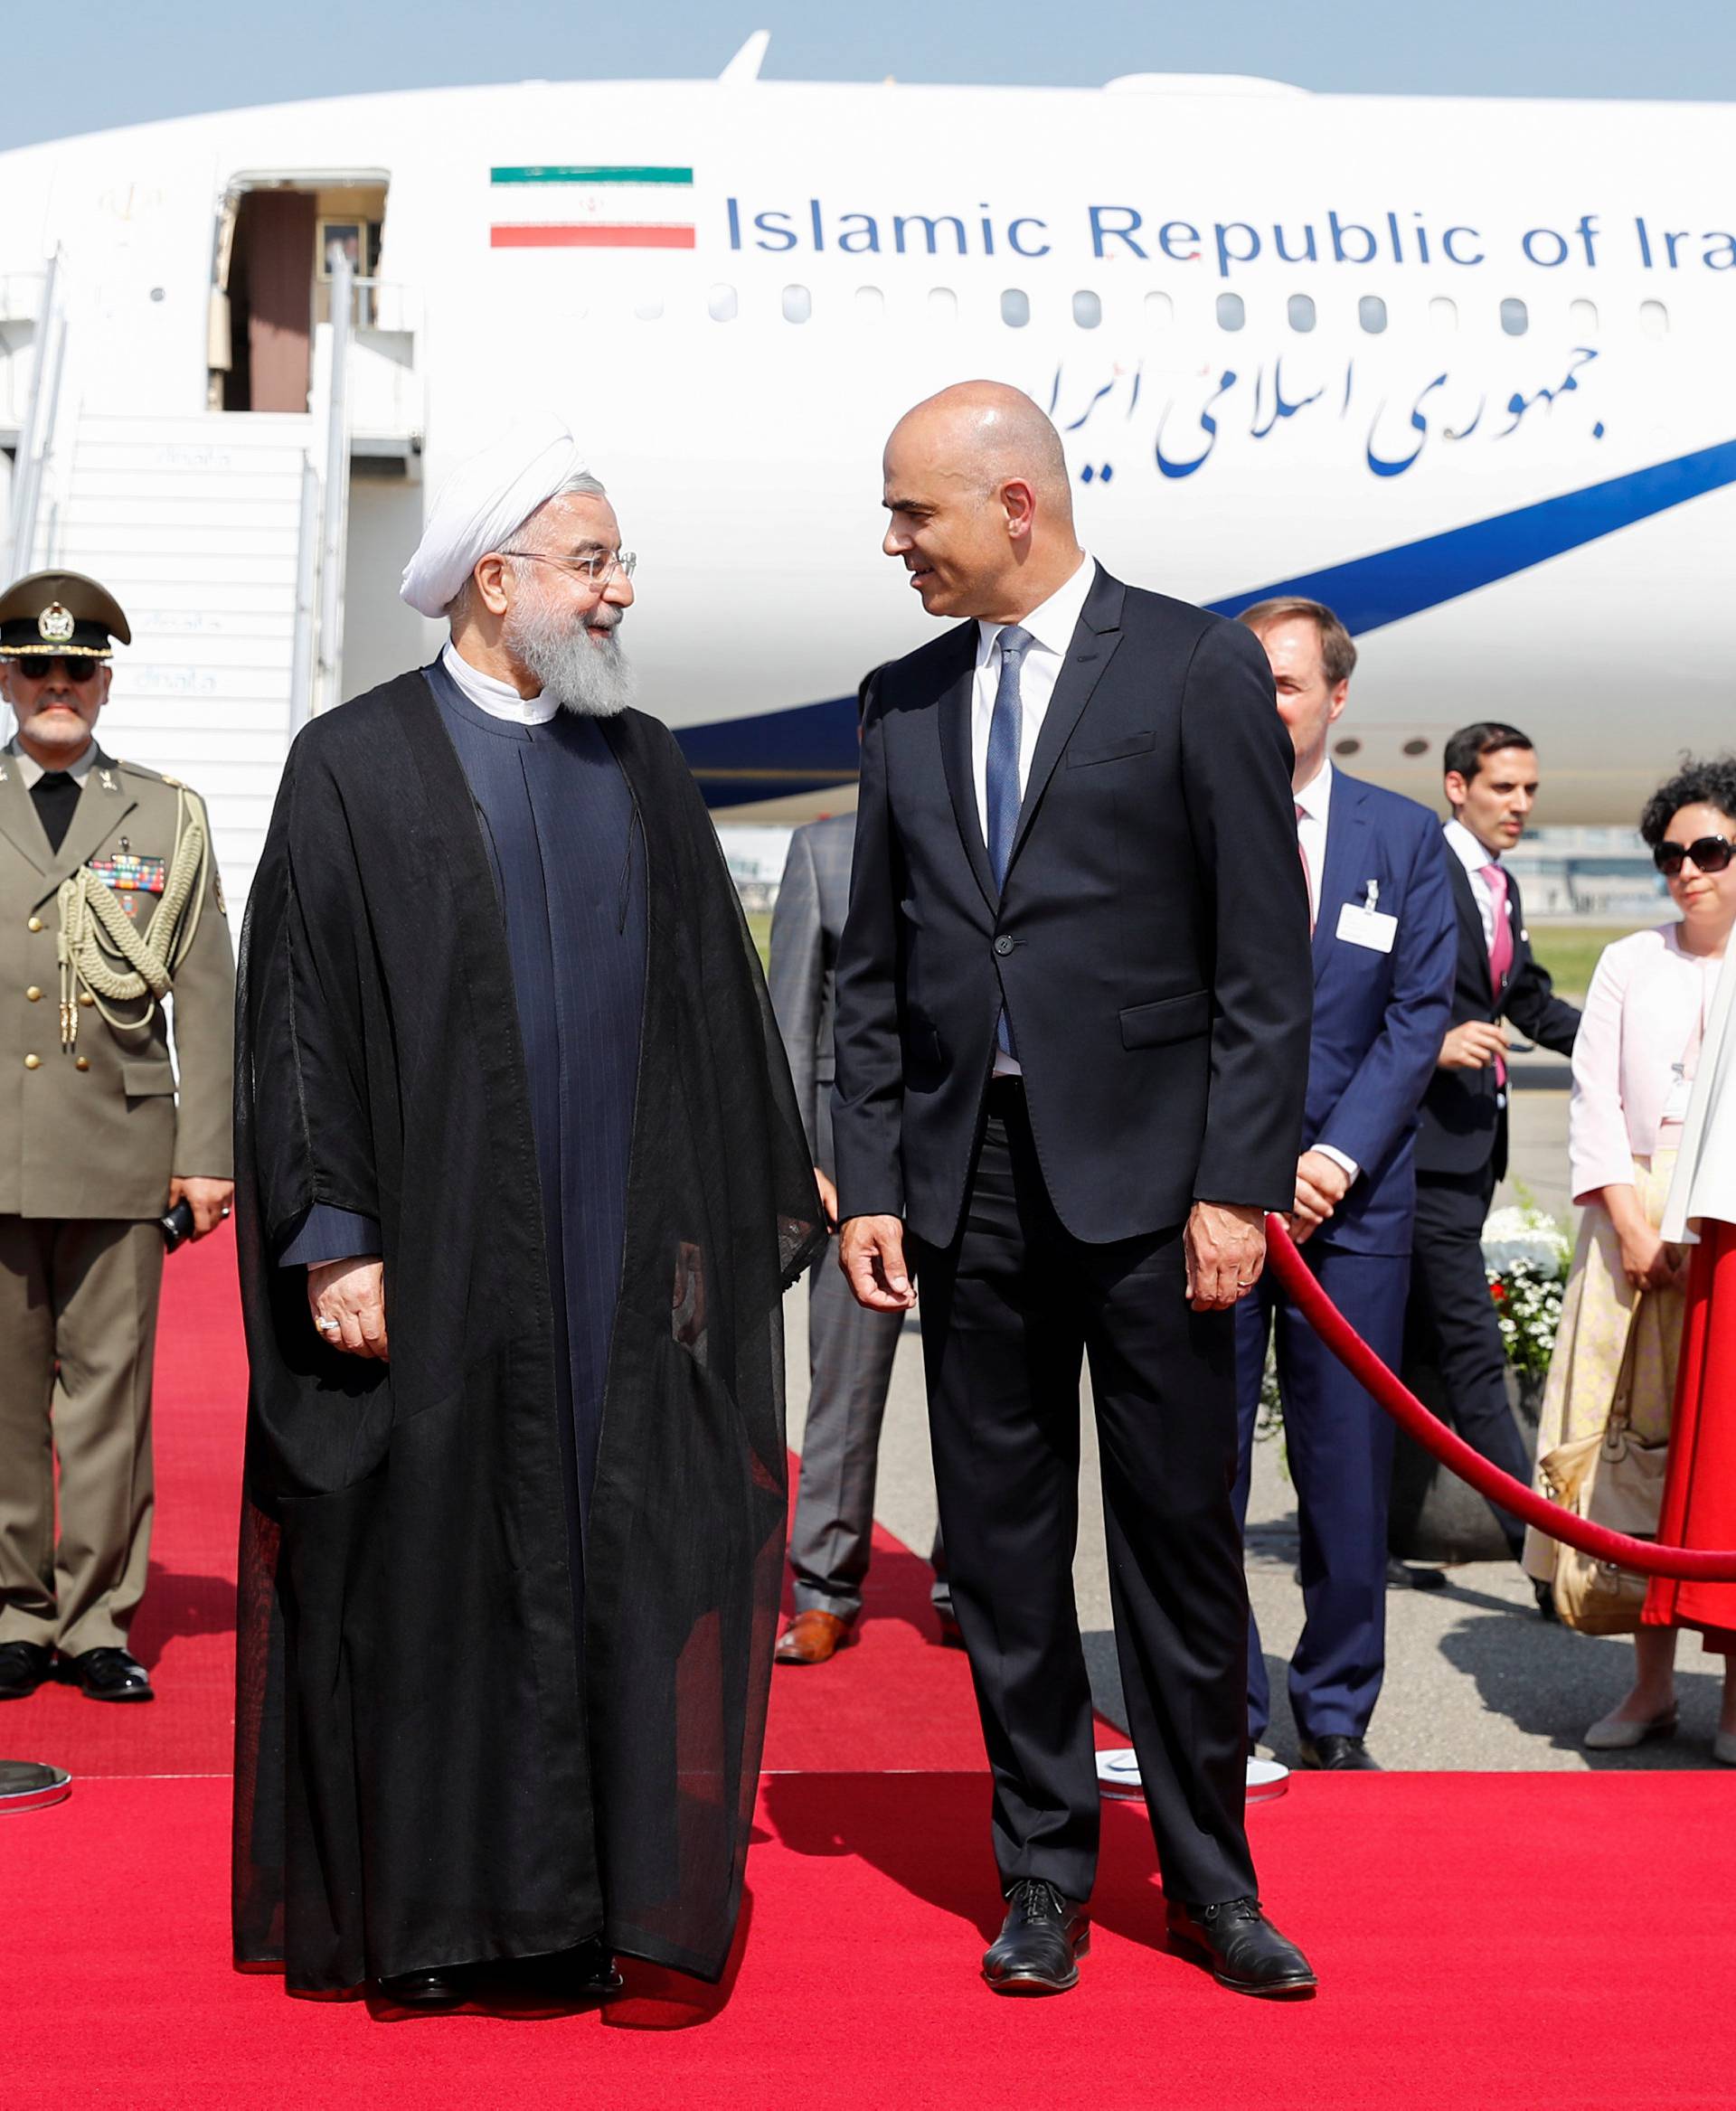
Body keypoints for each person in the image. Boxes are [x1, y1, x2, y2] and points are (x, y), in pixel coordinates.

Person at [231, 419, 823, 2007]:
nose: (620, 591)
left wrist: (732, 1219)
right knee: (439, 1572)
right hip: (434, 1263)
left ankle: (593, 1905)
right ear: (497, 584)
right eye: (591, 563)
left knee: (614, 1561)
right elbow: (298, 1019)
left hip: (618, 1274)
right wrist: (332, 1233)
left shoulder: (644, 764)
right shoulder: (355, 765)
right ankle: (444, 1922)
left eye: (620, 562)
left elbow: (713, 1009)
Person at [834, 382, 1317, 1998]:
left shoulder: (1190, 668)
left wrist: (1237, 1186)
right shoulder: (900, 700)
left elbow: (1263, 958)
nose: (895, 540)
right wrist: (874, 1180)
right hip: (970, 1185)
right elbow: (876, 971)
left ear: (1015, 507)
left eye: (917, 514)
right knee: (1002, 1556)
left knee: (1176, 1549)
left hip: (1163, 1190)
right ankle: (1042, 1872)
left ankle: (1208, 1885)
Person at [0, 570, 234, 1708]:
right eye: (35, 668)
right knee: (1, 1399)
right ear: (6, 680)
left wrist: (205, 1153)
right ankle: (14, 1608)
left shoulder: (162, 815)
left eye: (77, 669)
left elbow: (206, 994)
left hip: (119, 1147)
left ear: (104, 682)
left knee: (108, 1398)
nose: (56, 686)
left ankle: (94, 1618)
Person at [1231, 599, 1455, 1771]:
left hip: (1349, 1208)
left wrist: (1332, 1157)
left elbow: (1418, 1019)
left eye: (1285, 683)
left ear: (1335, 697)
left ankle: (1334, 1705)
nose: (1269, 704)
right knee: (1202, 1468)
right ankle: (1226, 1706)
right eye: (1250, 682)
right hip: (1216, 1205)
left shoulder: (1403, 839)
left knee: (1344, 1467)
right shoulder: (1190, 822)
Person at [769, 714, 954, 1666]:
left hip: (978, 1170)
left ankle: (967, 1576)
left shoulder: (985, 843)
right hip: (854, 1177)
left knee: (985, 1389)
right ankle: (825, 1587)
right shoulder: (823, 853)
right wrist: (807, 1165)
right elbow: (790, 1028)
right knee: (842, 1391)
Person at [1400, 724, 1580, 1594]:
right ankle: (1538, 1552)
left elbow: (1528, 998)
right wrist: (1431, 1042)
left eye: (1529, 790)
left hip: (1474, 1146)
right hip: (1416, 1147)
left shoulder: (1497, 883)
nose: (1520, 805)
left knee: (1410, 1347)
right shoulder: (1419, 864)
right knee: (1471, 1348)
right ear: (1456, 787)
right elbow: (1356, 990)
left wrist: (1633, 1042)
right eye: (1504, 788)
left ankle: (1383, 1533)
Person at [1584, 758, 1736, 1758]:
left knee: (1720, 1467)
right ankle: (1649, 1687)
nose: (1686, 869)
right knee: (1634, 1460)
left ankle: (1731, 1694)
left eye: (1709, 850)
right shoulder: (1629, 960)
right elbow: (1593, 1093)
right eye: (1669, 853)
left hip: (1725, 1225)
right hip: (1633, 1212)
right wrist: (1636, 1226)